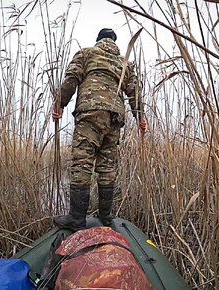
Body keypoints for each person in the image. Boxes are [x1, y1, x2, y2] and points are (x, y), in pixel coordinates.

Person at [52, 28, 147, 231]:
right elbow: (134, 93)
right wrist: (141, 117)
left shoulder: (86, 53)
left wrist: (59, 104)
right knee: (107, 166)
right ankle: (106, 217)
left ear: (98, 40)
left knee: (82, 163)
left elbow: (71, 79)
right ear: (114, 42)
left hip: (90, 111)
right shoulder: (125, 63)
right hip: (114, 117)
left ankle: (77, 220)